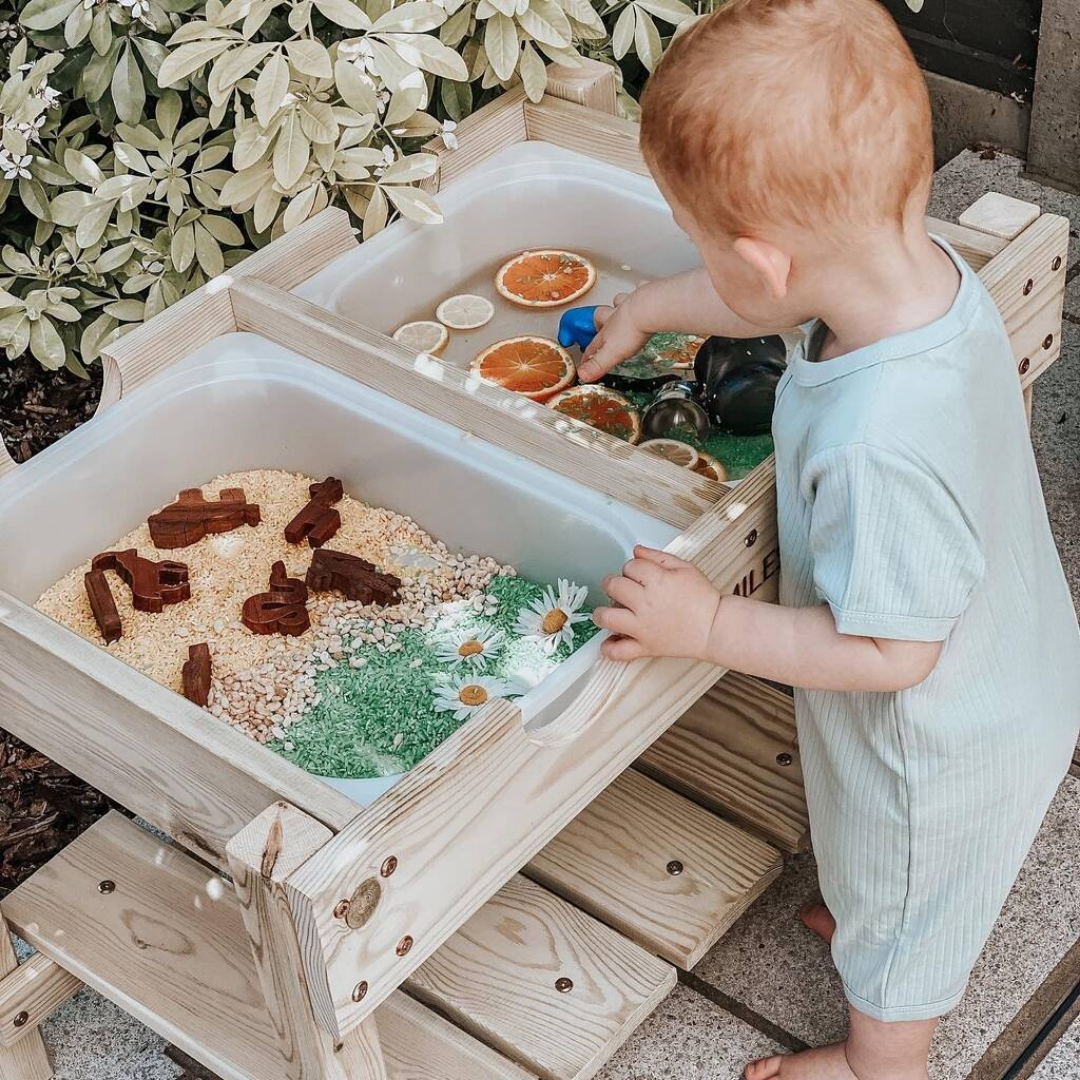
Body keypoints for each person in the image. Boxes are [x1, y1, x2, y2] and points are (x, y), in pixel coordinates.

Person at [581, 1, 1080, 1076]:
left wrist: (709, 621)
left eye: (703, 250)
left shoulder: (875, 444)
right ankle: (877, 917)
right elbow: (771, 300)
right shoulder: (916, 276)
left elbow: (893, 655)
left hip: (933, 748)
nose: (706, 269)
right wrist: (652, 308)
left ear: (759, 266)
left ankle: (874, 1061)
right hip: (1014, 661)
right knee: (887, 888)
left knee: (904, 932)